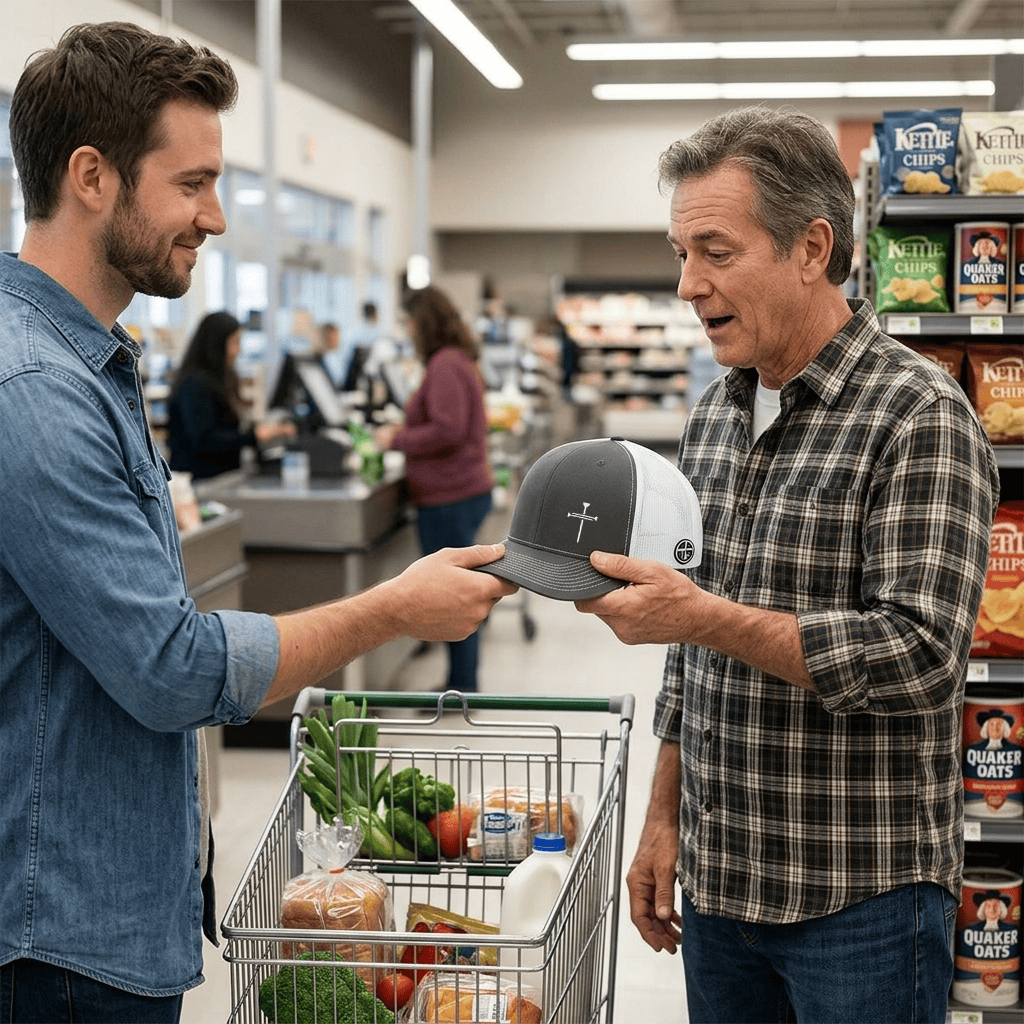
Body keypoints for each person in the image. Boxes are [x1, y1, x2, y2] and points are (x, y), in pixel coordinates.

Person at [0, 22, 514, 1024]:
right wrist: (392, 607)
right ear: (92, 176)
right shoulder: (34, 389)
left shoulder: (91, 362)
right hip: (55, 940)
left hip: (94, 914)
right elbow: (170, 669)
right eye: (191, 183)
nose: (218, 217)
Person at [574, 106, 1000, 1024]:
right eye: (679, 252)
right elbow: (690, 658)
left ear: (812, 247)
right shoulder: (716, 413)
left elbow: (922, 655)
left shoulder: (918, 415)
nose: (688, 284)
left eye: (716, 251)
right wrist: (662, 817)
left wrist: (701, 616)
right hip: (723, 892)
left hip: (859, 901)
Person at [375, 286, 494, 692]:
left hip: (450, 497)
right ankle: (462, 680)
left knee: (452, 596)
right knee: (459, 590)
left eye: (409, 323)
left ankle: (462, 686)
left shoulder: (444, 364)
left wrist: (397, 439)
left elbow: (448, 429)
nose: (407, 332)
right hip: (463, 491)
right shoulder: (458, 360)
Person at [167, 310, 295, 479]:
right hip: (201, 480)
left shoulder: (219, 379)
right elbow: (204, 440)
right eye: (235, 342)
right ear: (216, 344)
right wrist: (254, 436)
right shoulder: (195, 384)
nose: (238, 350)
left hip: (219, 477)